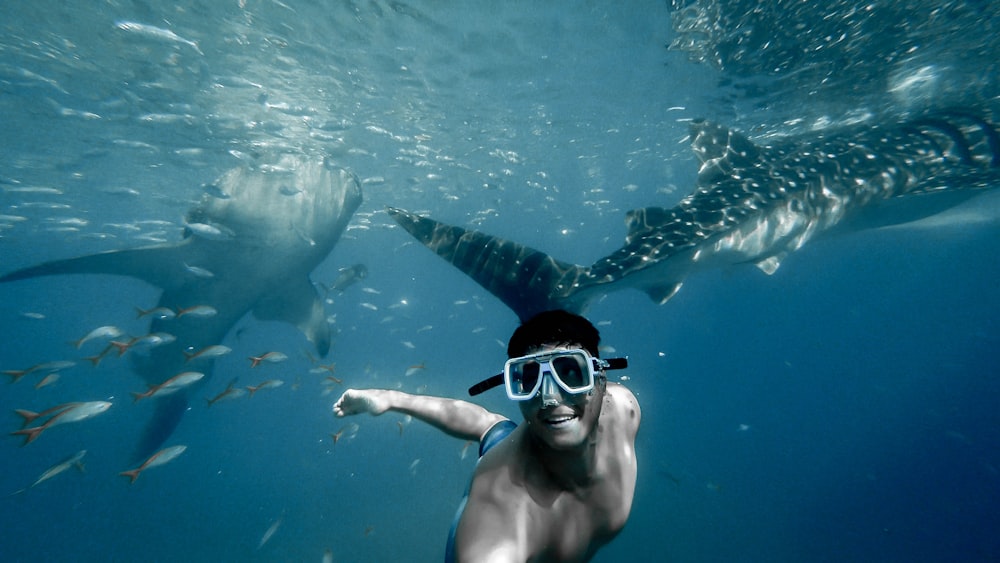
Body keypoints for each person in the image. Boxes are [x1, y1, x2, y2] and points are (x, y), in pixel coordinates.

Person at [333, 309, 641, 562]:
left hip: (520, 442)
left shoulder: (624, 409)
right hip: (506, 474)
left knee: (493, 427)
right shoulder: (499, 519)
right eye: (529, 379)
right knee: (499, 439)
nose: (550, 397)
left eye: (571, 373)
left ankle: (390, 398)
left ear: (601, 380)